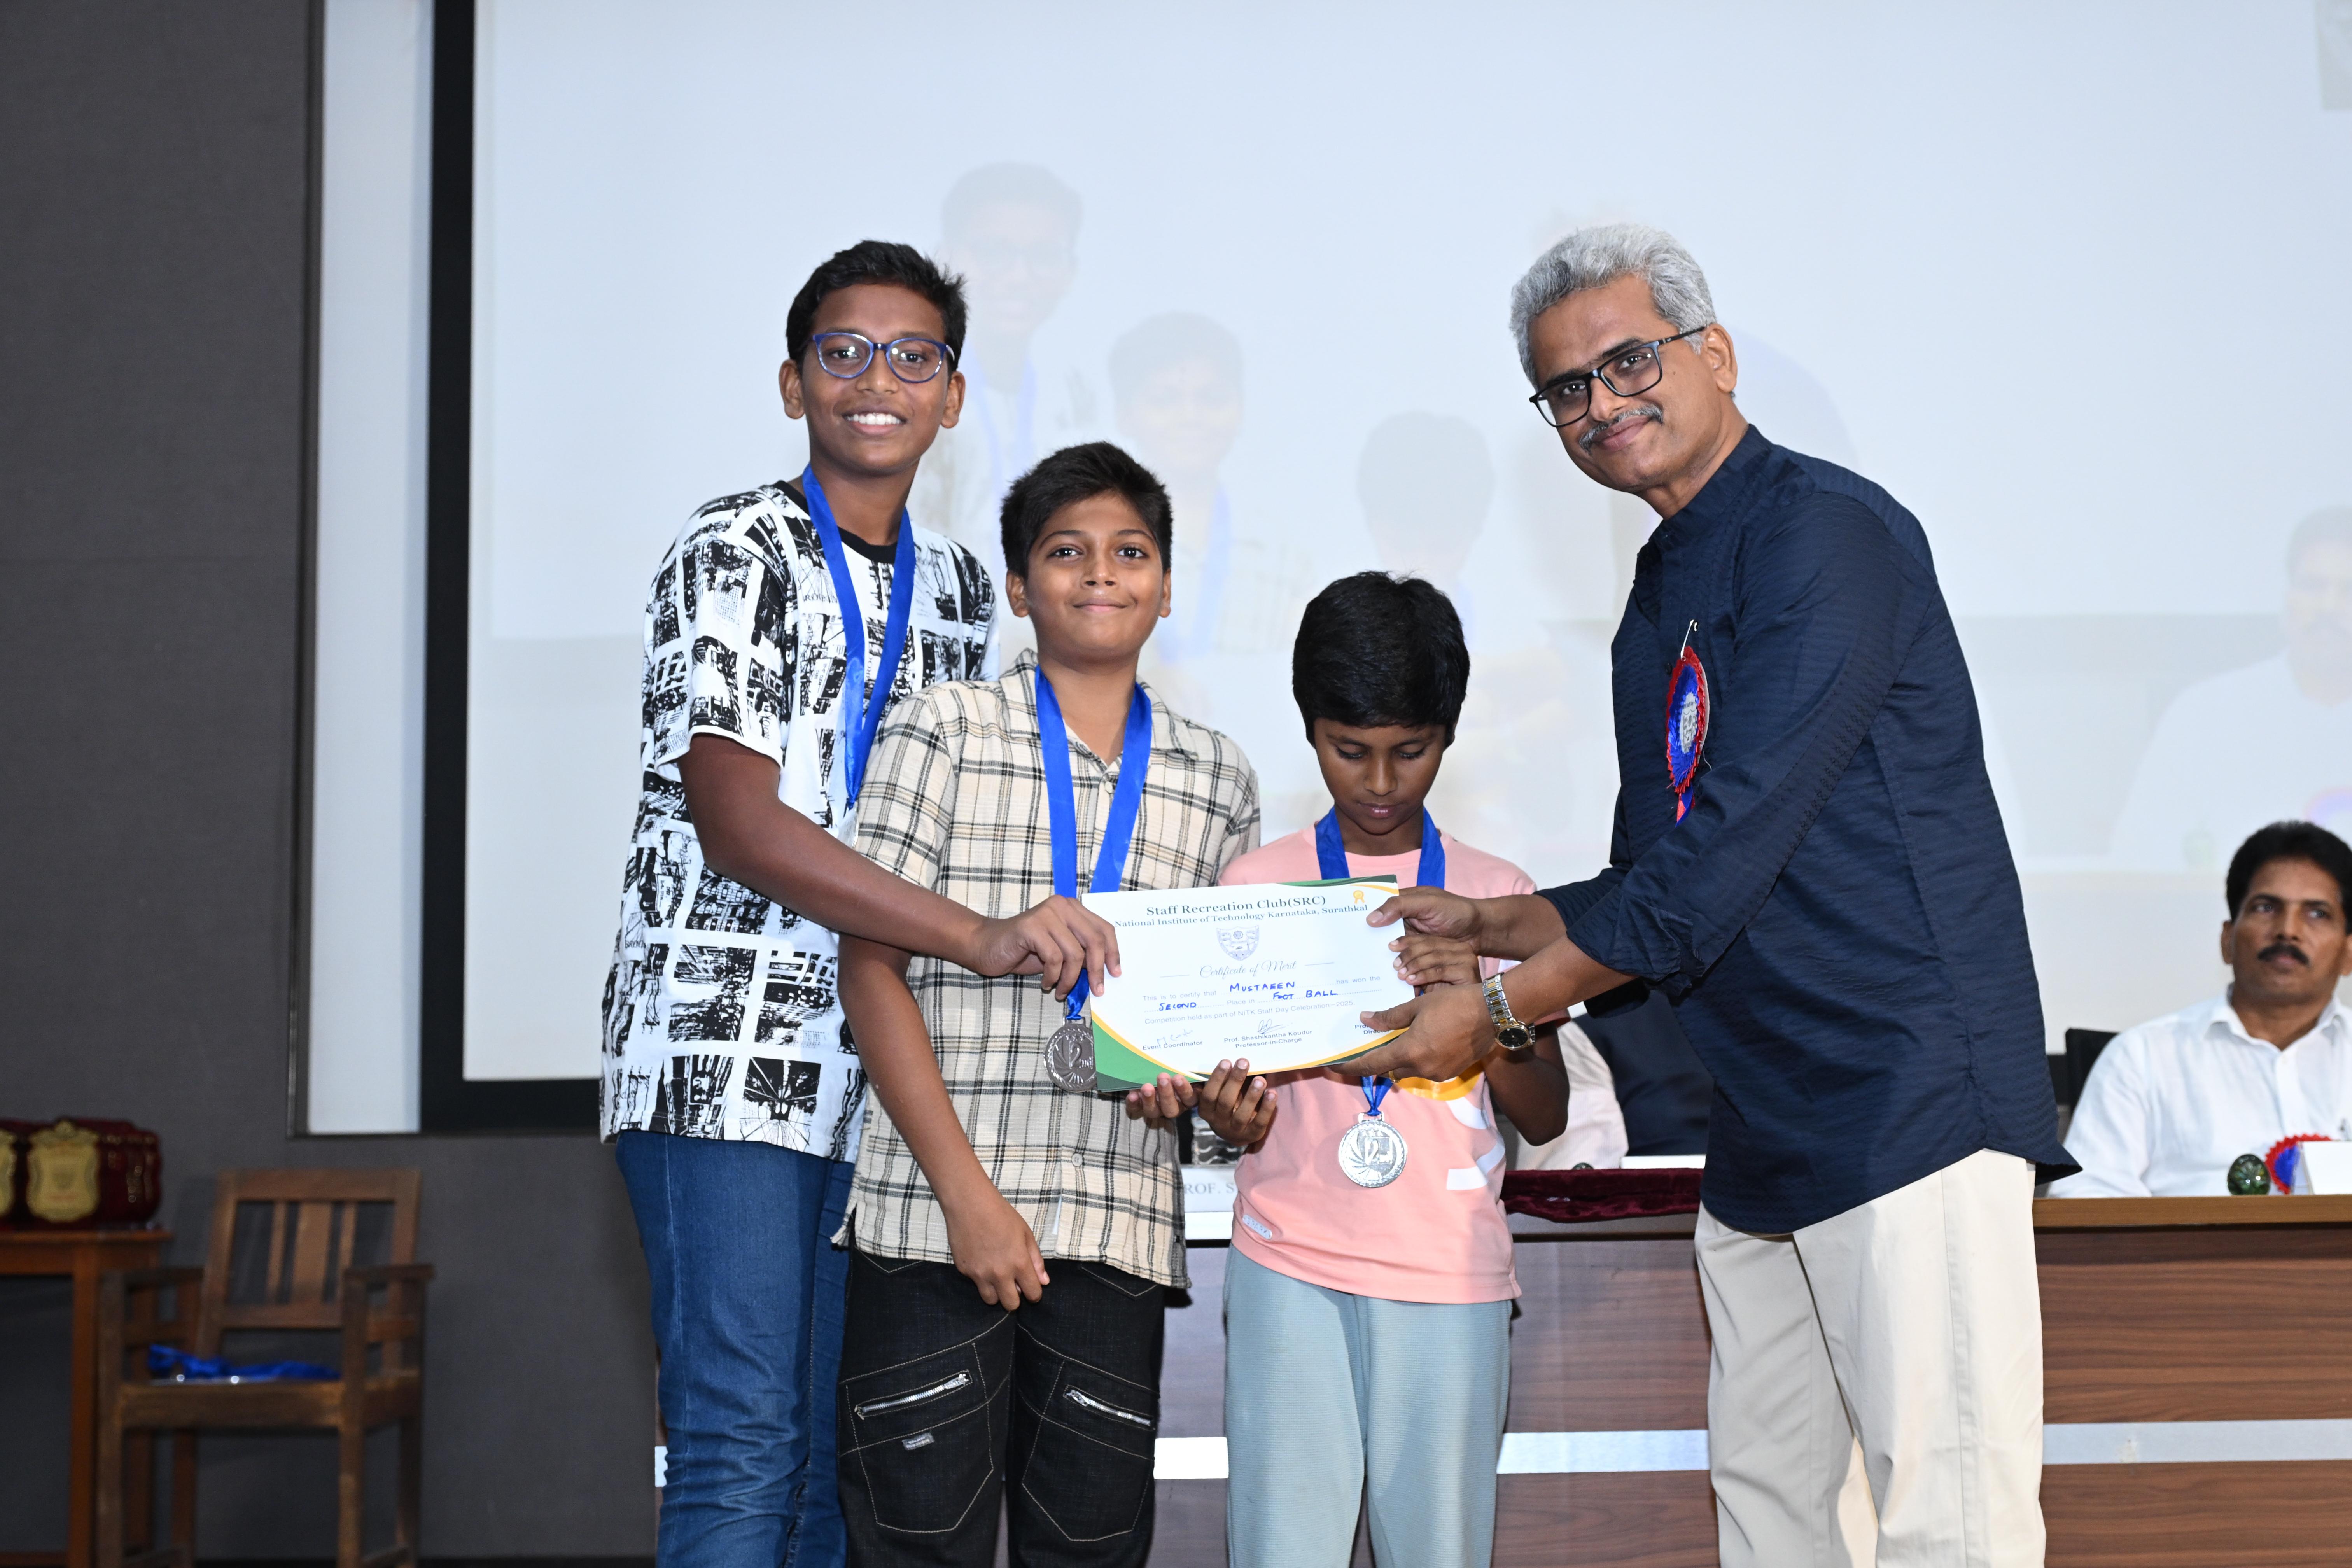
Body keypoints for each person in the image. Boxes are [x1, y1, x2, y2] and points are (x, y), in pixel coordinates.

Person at [1350, 224, 2071, 1568]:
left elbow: (1718, 862)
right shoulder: (1660, 588)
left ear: (1715, 355)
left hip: (1903, 1099)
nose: (1600, 402)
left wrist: (1495, 1014)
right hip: (1764, 1127)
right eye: (1566, 388)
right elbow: (1653, 873)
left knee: (1947, 1527)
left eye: (1628, 361)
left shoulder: (1827, 536)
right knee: (1770, 1515)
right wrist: (1494, 922)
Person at [600, 241, 1122, 1568]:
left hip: (886, 1066)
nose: (876, 380)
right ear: (794, 384)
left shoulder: (962, 591)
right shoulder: (733, 548)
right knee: (741, 1436)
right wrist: (978, 936)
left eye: (912, 356)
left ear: (953, 395)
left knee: (850, 1454)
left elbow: (978, 819)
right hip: (724, 1053)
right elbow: (736, 821)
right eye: (843, 353)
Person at [833, 441, 1259, 1566]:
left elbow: (1209, 1029)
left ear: (1166, 586)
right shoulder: (944, 728)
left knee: (1090, 1552)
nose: (1101, 572)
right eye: (1067, 552)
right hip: (932, 1223)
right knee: (916, 1548)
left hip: (1115, 1232)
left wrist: (1209, 1101)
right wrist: (969, 1203)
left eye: (1131, 552)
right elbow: (868, 966)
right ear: (1020, 589)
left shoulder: (1218, 778)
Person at [1123, 570, 1570, 1566]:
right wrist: (1231, 1119)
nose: (1378, 783)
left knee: (1440, 1549)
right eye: (1348, 750)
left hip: (1450, 1269)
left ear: (1448, 737)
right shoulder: (1255, 886)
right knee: (1282, 1548)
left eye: (1410, 751)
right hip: (1289, 1259)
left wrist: (1487, 1006)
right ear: (1310, 730)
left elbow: (1544, 1113)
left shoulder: (1497, 896)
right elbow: (1232, 1105)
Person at [2056, 821, 2352, 1196]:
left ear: (2348, 952)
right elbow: (2086, 1199)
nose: (2288, 931)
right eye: (2266, 907)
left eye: (2317, 914)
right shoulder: (2143, 1058)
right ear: (2228, 940)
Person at [2112, 509, 2352, 871]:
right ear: (2288, 597)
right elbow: (2137, 855)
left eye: (2348, 590)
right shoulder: (2207, 711)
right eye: (2312, 586)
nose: (2328, 608)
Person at [917, 164, 1104, 595]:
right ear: (945, 258)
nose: (1019, 276)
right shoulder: (911, 388)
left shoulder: (1078, 397)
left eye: (1044, 256)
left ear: (1070, 271)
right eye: (992, 251)